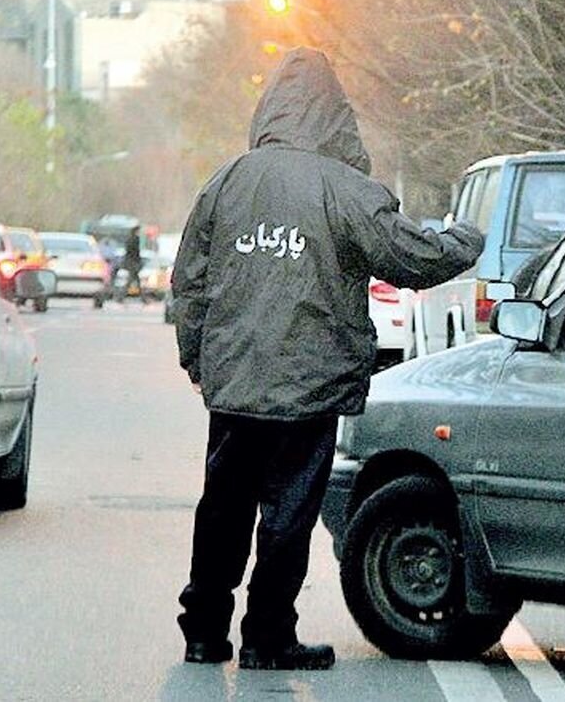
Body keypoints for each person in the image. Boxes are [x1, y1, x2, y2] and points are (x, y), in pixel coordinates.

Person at [170, 47, 483, 671]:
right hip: (308, 384)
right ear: (334, 116)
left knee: (223, 506)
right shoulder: (344, 189)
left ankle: (204, 632)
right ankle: (267, 637)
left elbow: (190, 283)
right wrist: (468, 238)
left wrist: (200, 361)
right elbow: (410, 257)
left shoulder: (227, 180)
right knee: (287, 512)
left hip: (235, 383)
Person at [117, 226, 144, 303]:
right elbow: (136, 252)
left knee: (135, 280)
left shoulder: (128, 239)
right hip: (133, 263)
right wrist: (139, 262)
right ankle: (120, 297)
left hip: (129, 262)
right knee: (131, 280)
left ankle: (143, 298)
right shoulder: (136, 239)